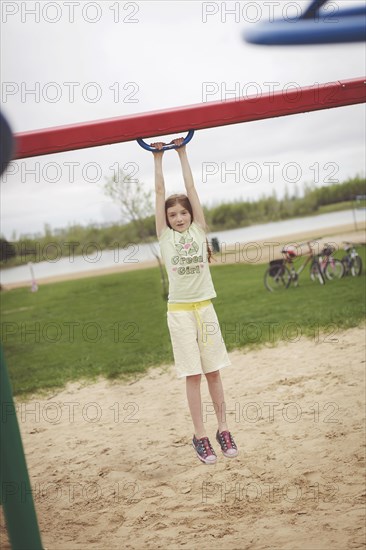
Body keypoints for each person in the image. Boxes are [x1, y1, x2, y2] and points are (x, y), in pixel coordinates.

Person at [152, 137, 238, 465]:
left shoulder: (200, 230)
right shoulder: (165, 237)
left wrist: (182, 152)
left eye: (182, 212)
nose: (177, 217)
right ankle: (200, 436)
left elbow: (191, 187)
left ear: (190, 214)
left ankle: (223, 428)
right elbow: (160, 193)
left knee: (214, 372)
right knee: (193, 375)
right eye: (172, 214)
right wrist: (158, 158)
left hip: (205, 307)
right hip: (180, 313)